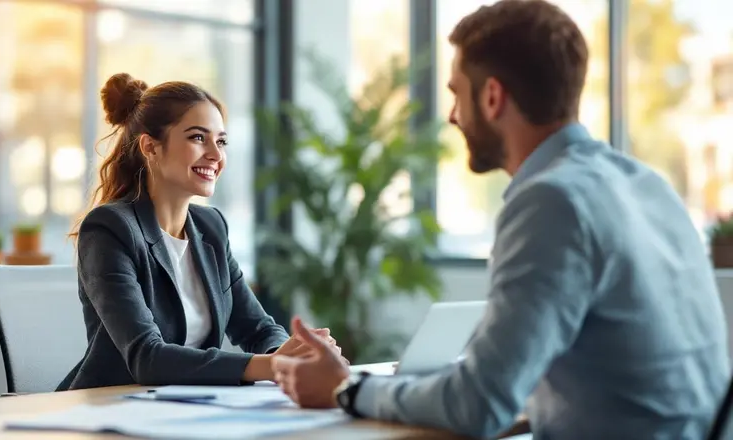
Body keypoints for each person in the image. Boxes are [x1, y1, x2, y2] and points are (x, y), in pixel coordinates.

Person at [270, 1, 731, 439]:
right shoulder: (646, 184)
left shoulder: (552, 201)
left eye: (456, 94)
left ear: (492, 97)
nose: (452, 115)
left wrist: (347, 389)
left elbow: (481, 404)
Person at [58, 73, 340, 391]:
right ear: (150, 147)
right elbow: (147, 359)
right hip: (110, 409)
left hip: (187, 406)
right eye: (197, 138)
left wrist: (294, 355)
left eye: (221, 141)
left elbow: (257, 328)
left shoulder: (210, 228)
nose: (216, 155)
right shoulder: (110, 229)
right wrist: (274, 365)